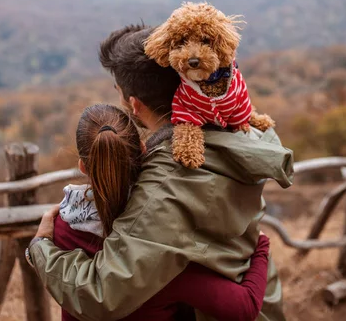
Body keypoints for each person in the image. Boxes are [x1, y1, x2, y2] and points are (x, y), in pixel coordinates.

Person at [27, 24, 294, 321]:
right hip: (262, 296)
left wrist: (41, 249)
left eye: (118, 91)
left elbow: (102, 294)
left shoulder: (165, 185)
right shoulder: (237, 131)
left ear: (134, 104)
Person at [52, 103, 270, 320]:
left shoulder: (58, 230)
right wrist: (261, 247)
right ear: (144, 148)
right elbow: (244, 307)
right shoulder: (161, 241)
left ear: (82, 166)